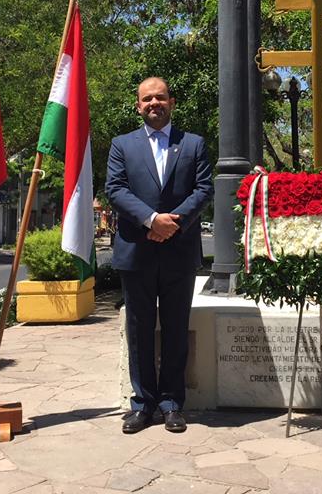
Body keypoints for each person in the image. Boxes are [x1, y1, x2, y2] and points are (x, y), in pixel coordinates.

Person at [105, 77, 213, 434]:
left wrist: (171, 224)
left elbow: (203, 189)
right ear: (138, 106)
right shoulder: (122, 145)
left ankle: (171, 404)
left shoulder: (193, 144)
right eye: (147, 98)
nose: (154, 103)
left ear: (172, 102)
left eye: (161, 97)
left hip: (179, 251)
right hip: (136, 251)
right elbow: (115, 189)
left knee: (176, 329)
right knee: (138, 330)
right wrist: (152, 220)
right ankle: (143, 404)